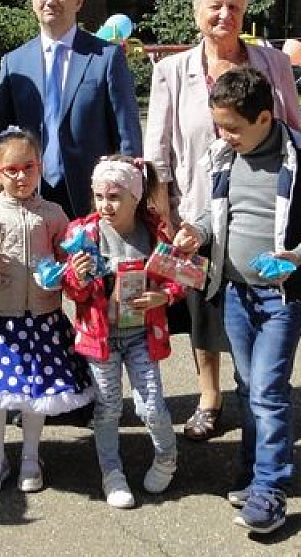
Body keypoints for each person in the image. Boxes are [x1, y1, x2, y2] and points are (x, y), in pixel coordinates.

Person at [174, 67, 301, 535]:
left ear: (265, 118)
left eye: (233, 128)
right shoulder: (225, 156)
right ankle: (252, 470)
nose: (224, 136)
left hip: (281, 299)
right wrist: (197, 232)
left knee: (267, 391)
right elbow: (217, 213)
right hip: (236, 295)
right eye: (219, 126)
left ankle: (271, 488)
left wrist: (295, 257)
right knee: (250, 390)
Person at [143, 0, 301, 443]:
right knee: (203, 307)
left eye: (234, 8)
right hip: (194, 209)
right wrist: (166, 215)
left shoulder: (273, 64)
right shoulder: (171, 71)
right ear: (197, 14)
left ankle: (256, 391)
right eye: (215, 7)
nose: (224, 16)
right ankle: (208, 398)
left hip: (261, 209)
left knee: (259, 300)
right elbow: (158, 152)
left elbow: (293, 129)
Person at [0, 127, 94, 496]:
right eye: (12, 169)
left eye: (29, 167)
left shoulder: (54, 215)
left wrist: (65, 275)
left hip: (42, 321)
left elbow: (68, 260)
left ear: (40, 168)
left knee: (34, 396)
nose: (22, 176)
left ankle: (30, 456)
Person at [62, 156, 183, 509]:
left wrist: (164, 295)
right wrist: (79, 277)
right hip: (100, 338)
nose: (105, 205)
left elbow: (180, 276)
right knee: (109, 406)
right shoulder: (83, 233)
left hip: (141, 334)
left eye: (114, 196)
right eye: (99, 196)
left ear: (135, 195)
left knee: (151, 407)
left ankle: (166, 456)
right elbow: (73, 292)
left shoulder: (155, 231)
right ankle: (111, 472)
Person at [0, 0, 143, 221]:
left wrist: (129, 194)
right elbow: (0, 137)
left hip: (94, 197)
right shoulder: (14, 62)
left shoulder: (106, 57)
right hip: (30, 195)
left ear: (79, 1)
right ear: (32, 1)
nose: (50, 1)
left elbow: (126, 133)